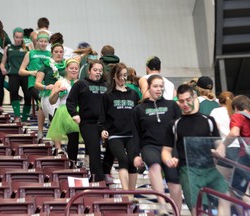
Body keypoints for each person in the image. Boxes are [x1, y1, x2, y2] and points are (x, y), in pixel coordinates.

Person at [161, 84, 229, 216]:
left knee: (225, 197)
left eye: (188, 100)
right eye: (181, 101)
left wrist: (221, 149)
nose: (185, 104)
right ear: (178, 102)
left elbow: (218, 142)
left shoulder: (208, 120)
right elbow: (165, 151)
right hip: (189, 171)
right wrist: (168, 160)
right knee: (196, 208)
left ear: (194, 98)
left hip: (209, 168)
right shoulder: (174, 125)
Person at [132, 75, 182, 215]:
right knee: (154, 165)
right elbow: (136, 134)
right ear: (148, 87)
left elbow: (180, 129)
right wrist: (136, 155)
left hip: (170, 147)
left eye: (161, 86)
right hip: (149, 145)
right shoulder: (139, 109)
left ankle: (176, 211)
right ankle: (162, 207)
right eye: (155, 86)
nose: (159, 89)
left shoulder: (172, 105)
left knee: (174, 181)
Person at [66, 59, 112, 182]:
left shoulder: (107, 85)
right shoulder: (81, 84)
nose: (98, 73)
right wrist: (74, 114)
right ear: (89, 71)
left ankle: (105, 171)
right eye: (95, 70)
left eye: (100, 71)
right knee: (94, 149)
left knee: (113, 146)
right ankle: (99, 179)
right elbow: (70, 101)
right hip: (88, 123)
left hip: (105, 123)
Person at [98, 63, 139, 195]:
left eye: (125, 75)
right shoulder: (108, 95)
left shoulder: (133, 94)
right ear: (114, 77)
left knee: (133, 162)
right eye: (120, 75)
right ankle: (126, 192)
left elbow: (139, 115)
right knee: (123, 159)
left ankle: (132, 193)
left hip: (131, 134)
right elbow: (102, 116)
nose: (122, 78)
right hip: (115, 135)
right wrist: (102, 130)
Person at [19, 31, 51, 142]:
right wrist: (31, 72)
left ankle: (41, 131)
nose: (43, 43)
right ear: (36, 41)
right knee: (41, 101)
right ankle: (44, 128)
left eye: (45, 41)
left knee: (43, 105)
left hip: (47, 84)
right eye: (41, 41)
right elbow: (21, 71)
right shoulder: (30, 53)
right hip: (34, 84)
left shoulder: (50, 54)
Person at [34, 43, 66, 152]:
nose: (58, 54)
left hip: (64, 95)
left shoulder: (67, 65)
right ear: (51, 53)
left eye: (61, 52)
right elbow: (37, 83)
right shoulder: (46, 65)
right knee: (55, 117)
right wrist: (46, 86)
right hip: (49, 96)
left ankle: (58, 142)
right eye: (56, 52)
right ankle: (58, 147)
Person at [48, 59, 80, 161]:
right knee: (73, 135)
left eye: (76, 68)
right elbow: (52, 101)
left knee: (74, 138)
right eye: (71, 68)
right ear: (66, 69)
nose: (74, 70)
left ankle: (73, 160)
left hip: (77, 110)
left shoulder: (81, 83)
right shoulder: (60, 82)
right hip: (63, 111)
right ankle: (71, 160)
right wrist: (57, 91)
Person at [0, 27, 31, 123]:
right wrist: (2, 68)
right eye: (17, 37)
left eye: (20, 37)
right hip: (13, 74)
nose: (18, 39)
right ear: (13, 37)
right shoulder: (8, 48)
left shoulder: (27, 48)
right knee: (13, 93)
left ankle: (25, 118)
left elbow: (32, 61)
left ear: (23, 37)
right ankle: (17, 116)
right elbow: (2, 62)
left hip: (25, 74)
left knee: (28, 96)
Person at [224, 95, 250, 199]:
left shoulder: (238, 116)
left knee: (235, 190)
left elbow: (234, 133)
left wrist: (223, 145)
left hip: (245, 158)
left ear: (235, 107)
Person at [210, 91, 239, 181]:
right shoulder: (236, 113)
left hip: (224, 148)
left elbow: (213, 129)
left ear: (219, 101)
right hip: (238, 148)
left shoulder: (216, 112)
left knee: (221, 183)